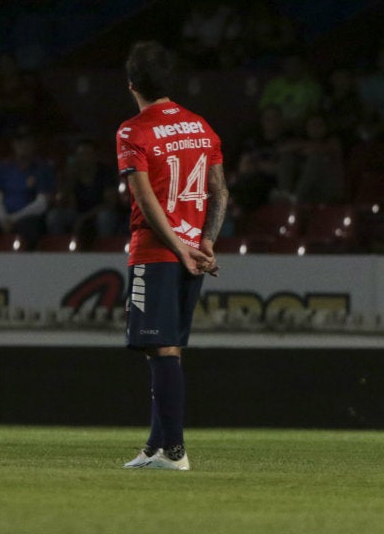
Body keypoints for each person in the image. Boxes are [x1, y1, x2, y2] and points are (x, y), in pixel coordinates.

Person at [116, 41, 228, 471]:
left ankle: (176, 452)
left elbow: (145, 200)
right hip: (193, 251)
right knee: (168, 347)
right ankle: (155, 447)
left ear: (132, 86)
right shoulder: (202, 126)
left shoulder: (133, 130)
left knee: (159, 347)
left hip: (159, 250)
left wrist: (178, 248)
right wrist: (206, 243)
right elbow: (220, 192)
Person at [0, 124, 56, 250]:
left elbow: (42, 203)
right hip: (4, 217)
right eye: (19, 141)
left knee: (30, 227)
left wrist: (13, 219)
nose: (23, 145)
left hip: (28, 217)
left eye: (27, 141)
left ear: (33, 144)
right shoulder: (3, 168)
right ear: (14, 144)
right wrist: (3, 218)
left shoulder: (43, 169)